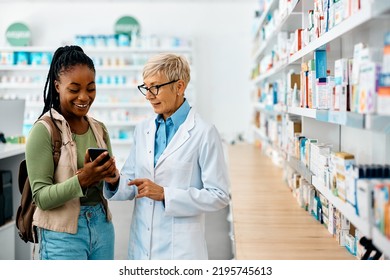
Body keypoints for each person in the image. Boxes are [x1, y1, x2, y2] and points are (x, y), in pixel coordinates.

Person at [104, 53, 230, 260]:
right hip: (141, 244)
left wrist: (165, 194)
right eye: (146, 87)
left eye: (155, 87)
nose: (149, 95)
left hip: (181, 250)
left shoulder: (203, 132)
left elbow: (219, 195)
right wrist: (113, 180)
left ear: (179, 87)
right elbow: (132, 181)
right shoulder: (143, 129)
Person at [25, 45, 119, 260]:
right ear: (57, 86)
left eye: (91, 88)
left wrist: (112, 178)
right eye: (74, 89)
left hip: (102, 227)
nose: (84, 97)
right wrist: (83, 179)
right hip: (62, 235)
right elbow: (41, 198)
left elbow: (108, 186)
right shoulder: (44, 131)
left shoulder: (99, 128)